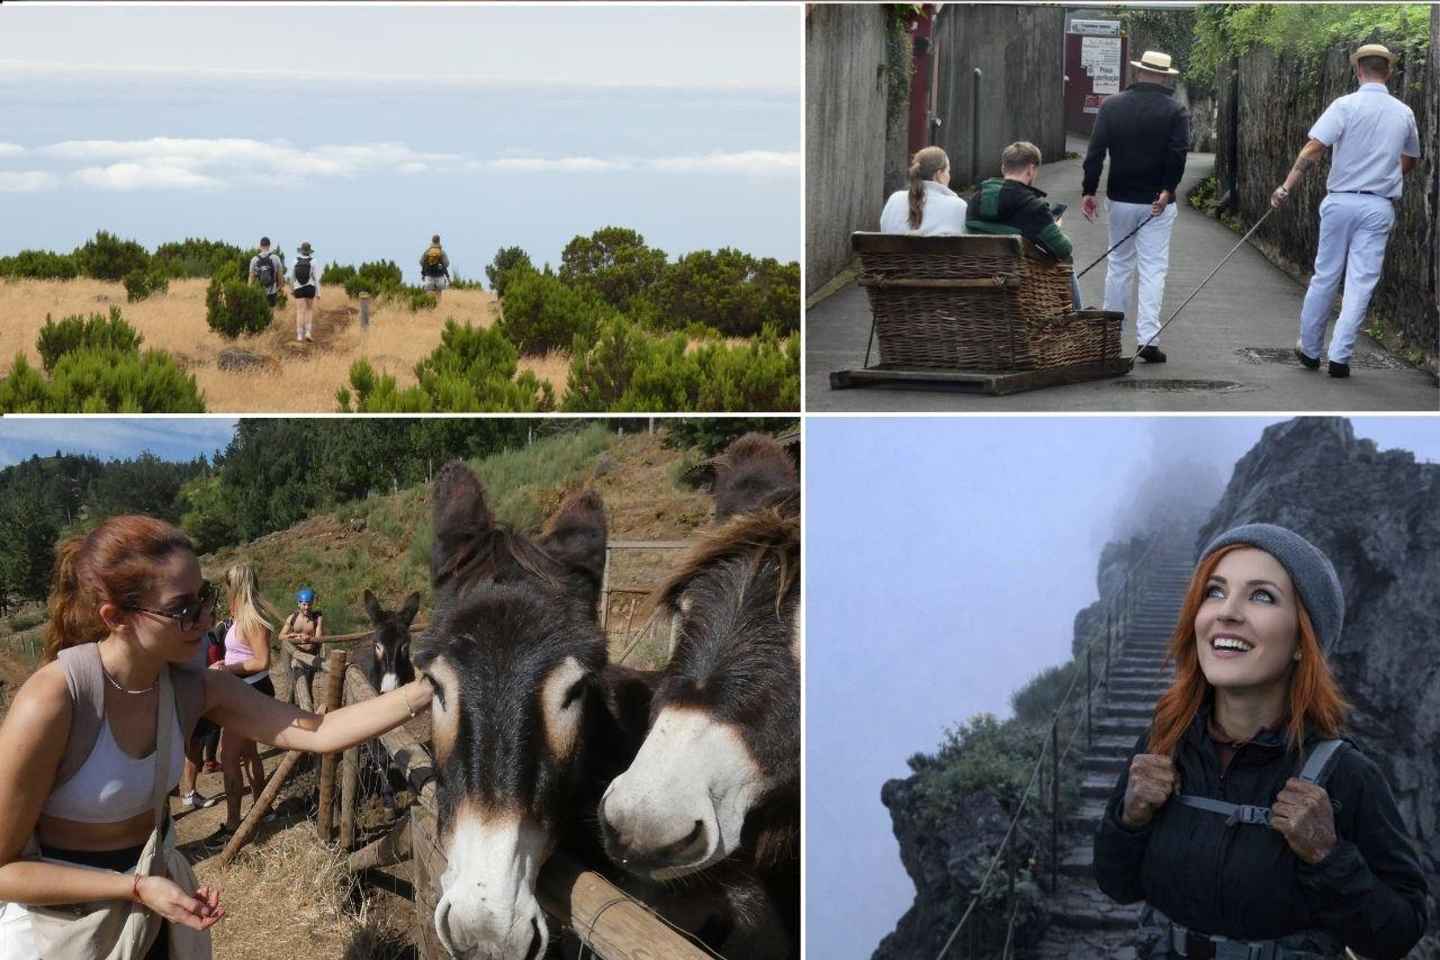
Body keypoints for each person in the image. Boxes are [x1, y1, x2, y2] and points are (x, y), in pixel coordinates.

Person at [0, 517, 432, 957]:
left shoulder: (193, 687)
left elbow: (320, 731)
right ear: (116, 618)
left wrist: (428, 687)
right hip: (57, 934)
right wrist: (132, 887)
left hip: (151, 920)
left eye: (205, 596)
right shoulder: (54, 700)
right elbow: (3, 870)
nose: (207, 617)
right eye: (183, 608)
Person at [1094, 523, 1429, 960]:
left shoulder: (1346, 775)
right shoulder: (1162, 743)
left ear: (1301, 641)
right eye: (1214, 591)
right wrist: (1130, 818)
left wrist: (1327, 857)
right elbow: (1116, 884)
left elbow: (1398, 933)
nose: (1227, 612)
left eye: (1261, 596)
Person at [1271, 44, 1422, 380]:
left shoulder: (1344, 105)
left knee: (1325, 275)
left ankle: (1310, 349)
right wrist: (1385, 174)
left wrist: (1286, 186)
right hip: (1378, 205)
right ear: (1389, 72)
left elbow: (1314, 147)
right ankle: (1340, 357)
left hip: (1340, 201)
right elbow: (1410, 158)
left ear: (1358, 71)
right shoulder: (1404, 112)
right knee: (1360, 283)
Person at [1081, 50, 1190, 363]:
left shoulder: (1112, 106)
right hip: (1157, 202)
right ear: (1165, 76)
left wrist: (1090, 190)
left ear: (1139, 73)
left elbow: (1095, 151)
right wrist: (1168, 190)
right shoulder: (1175, 111)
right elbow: (1178, 154)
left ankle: (1111, 336)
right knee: (1153, 268)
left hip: (1120, 198)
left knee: (1119, 265)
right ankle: (1148, 340)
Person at [210, 564, 278, 844]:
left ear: (236, 586)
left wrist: (228, 669)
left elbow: (262, 661)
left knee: (228, 758)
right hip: (249, 691)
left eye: (228, 585)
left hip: (249, 693)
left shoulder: (251, 619)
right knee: (250, 754)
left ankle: (233, 823)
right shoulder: (245, 617)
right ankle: (265, 809)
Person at [966, 141, 1079, 308]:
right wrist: (1056, 227)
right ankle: (1075, 317)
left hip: (980, 283)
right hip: (1024, 289)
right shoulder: (1033, 207)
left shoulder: (975, 200)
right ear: (1031, 169)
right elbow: (1063, 249)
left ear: (1003, 168)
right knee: (1067, 266)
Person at [879, 146, 968, 236]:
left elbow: (884, 228)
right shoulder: (959, 206)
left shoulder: (894, 200)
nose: (949, 176)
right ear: (939, 174)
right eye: (948, 171)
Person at [291, 241, 319, 344]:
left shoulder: (295, 261)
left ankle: (299, 335)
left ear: (301, 251)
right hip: (310, 288)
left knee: (300, 311)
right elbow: (316, 278)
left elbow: (292, 277)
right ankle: (308, 332)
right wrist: (318, 293)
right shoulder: (314, 261)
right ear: (309, 251)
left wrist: (291, 289)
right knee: (309, 310)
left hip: (298, 288)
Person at [247, 237, 285, 308]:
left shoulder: (254, 259)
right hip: (272, 291)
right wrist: (278, 288)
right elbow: (280, 276)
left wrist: (249, 290)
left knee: (260, 314)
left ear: (260, 246)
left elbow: (251, 277)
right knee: (271, 313)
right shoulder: (276, 258)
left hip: (258, 291)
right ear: (269, 245)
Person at [419, 234, 451, 302]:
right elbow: (447, 264)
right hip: (440, 278)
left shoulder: (427, 252)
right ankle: (438, 310)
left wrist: (427, 266)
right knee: (438, 294)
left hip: (429, 277)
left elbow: (421, 262)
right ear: (439, 241)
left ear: (432, 241)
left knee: (428, 296)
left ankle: (430, 309)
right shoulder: (442, 252)